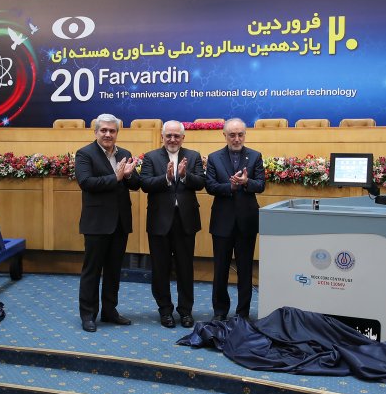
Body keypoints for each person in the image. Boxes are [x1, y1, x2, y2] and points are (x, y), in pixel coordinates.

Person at [75, 114, 141, 332]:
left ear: (117, 133)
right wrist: (116, 177)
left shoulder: (124, 153)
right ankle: (88, 314)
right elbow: (86, 183)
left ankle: (110, 310)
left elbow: (136, 185)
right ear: (95, 132)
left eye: (112, 131)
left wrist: (128, 176)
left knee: (114, 270)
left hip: (120, 222)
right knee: (92, 270)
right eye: (103, 130)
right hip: (97, 223)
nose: (108, 134)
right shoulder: (85, 154)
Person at [140, 120, 205, 328]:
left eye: (177, 136)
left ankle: (185, 311)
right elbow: (145, 184)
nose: (172, 139)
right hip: (159, 221)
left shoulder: (193, 156)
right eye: (169, 135)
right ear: (162, 136)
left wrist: (185, 176)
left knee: (185, 268)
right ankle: (165, 311)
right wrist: (166, 178)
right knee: (160, 269)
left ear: (183, 138)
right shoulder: (151, 157)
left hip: (185, 221)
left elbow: (201, 183)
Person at [205, 118, 266, 321]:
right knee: (220, 269)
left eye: (240, 134)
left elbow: (261, 185)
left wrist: (246, 182)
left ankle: (243, 313)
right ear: (224, 135)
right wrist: (230, 187)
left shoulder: (255, 156)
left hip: (247, 222)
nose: (237, 139)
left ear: (245, 135)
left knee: (245, 269)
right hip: (222, 222)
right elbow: (210, 186)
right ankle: (220, 312)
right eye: (232, 135)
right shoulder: (214, 158)